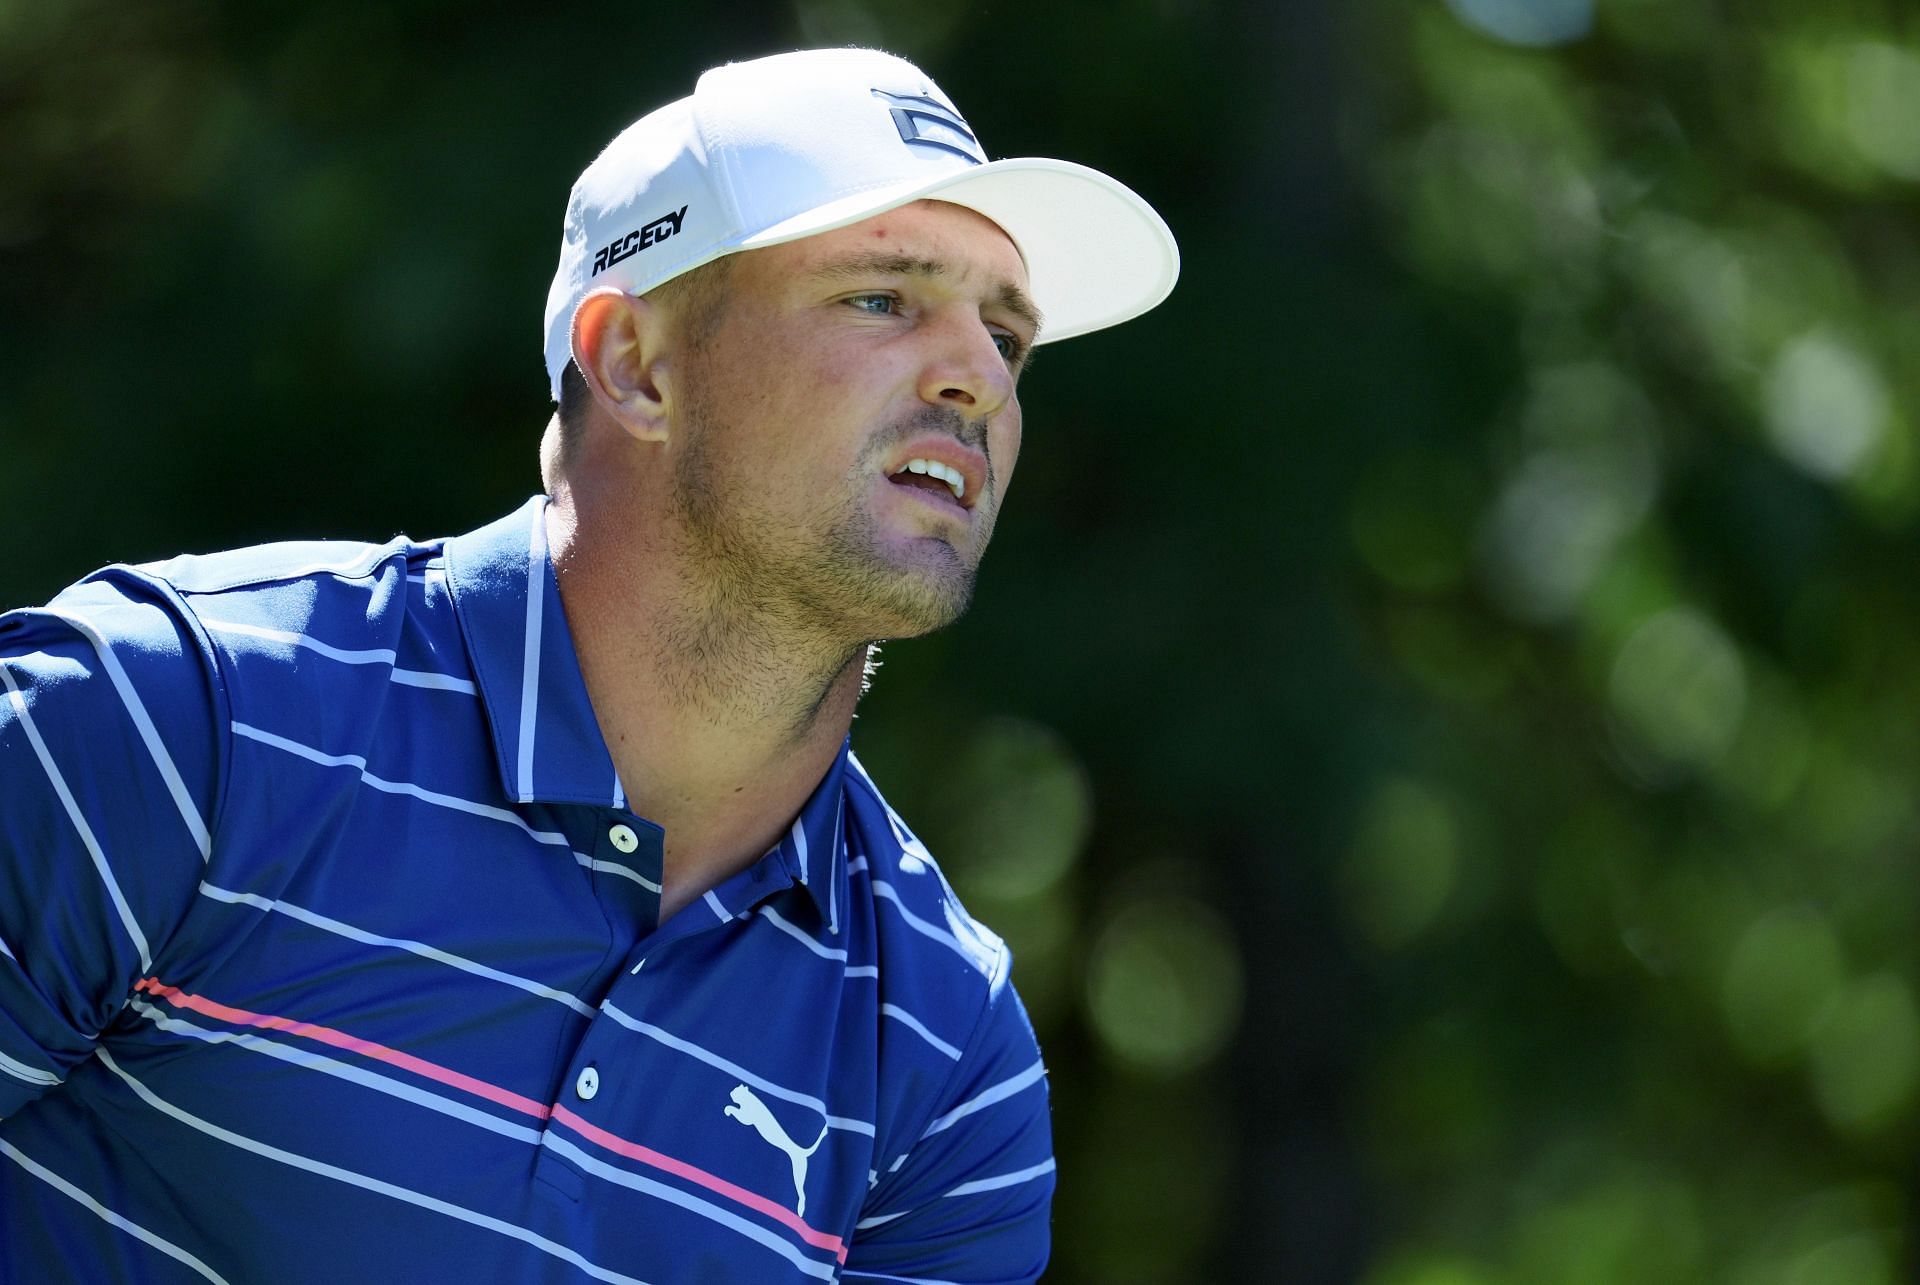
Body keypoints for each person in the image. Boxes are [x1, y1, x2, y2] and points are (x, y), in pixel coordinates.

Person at [0, 47, 1176, 1284]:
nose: (980, 377)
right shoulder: (179, 720)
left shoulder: (945, 1054)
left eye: (1007, 333)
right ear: (635, 365)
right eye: (883, 298)